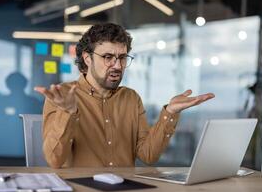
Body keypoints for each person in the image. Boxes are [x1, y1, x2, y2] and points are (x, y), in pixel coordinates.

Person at [34, 23, 215, 168]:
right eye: (108, 57)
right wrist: (67, 113)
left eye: (122, 57)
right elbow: (54, 161)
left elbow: (148, 156)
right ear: (87, 58)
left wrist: (171, 113)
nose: (118, 66)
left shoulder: (131, 98)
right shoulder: (62, 96)